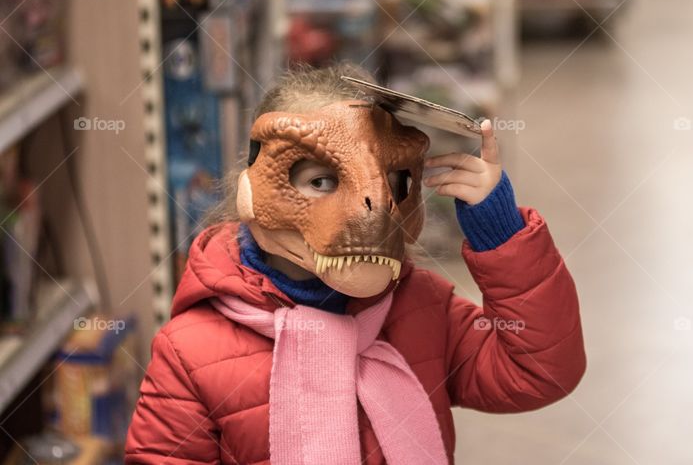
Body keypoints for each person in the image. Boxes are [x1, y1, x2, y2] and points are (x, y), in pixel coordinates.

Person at [125, 64, 586, 464]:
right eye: (321, 181)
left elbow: (539, 373)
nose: (371, 212)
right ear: (250, 189)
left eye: (391, 183)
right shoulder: (191, 352)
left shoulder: (422, 308)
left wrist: (501, 234)